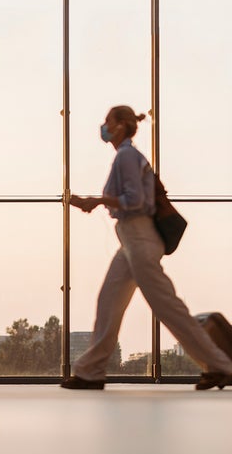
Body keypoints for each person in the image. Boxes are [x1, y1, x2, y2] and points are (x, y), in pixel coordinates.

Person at [61, 105, 232, 391]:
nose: (103, 127)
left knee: (168, 307)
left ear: (119, 127)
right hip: (131, 240)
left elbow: (136, 200)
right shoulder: (127, 156)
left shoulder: (127, 156)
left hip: (139, 238)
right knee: (108, 303)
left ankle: (223, 366)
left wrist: (98, 201)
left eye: (108, 122)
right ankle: (90, 371)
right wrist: (100, 202)